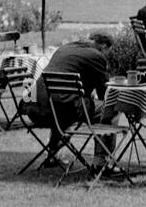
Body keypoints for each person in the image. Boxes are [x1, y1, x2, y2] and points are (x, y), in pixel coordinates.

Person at [22, 32, 113, 165]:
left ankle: (52, 155)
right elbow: (103, 93)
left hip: (34, 109)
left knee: (62, 104)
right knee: (109, 108)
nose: (106, 55)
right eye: (107, 52)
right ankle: (101, 162)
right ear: (104, 46)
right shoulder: (97, 56)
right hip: (61, 110)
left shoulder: (65, 48)